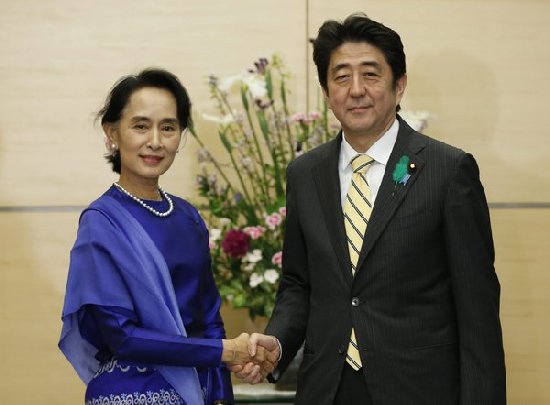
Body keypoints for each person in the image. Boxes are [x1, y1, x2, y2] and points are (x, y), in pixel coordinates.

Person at [233, 13, 506, 404]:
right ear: (327, 92)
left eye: (371, 75)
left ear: (399, 85)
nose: (356, 90)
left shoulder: (447, 171)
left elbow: (478, 312)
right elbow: (298, 284)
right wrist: (277, 343)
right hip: (327, 389)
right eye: (342, 76)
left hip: (418, 390)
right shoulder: (305, 173)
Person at [58, 68, 275, 405]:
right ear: (112, 133)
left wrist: (221, 394)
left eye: (168, 127)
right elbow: (122, 336)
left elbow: (210, 320)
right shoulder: (101, 222)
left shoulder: (188, 216)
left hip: (200, 392)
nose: (156, 141)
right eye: (141, 126)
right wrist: (223, 351)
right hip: (130, 394)